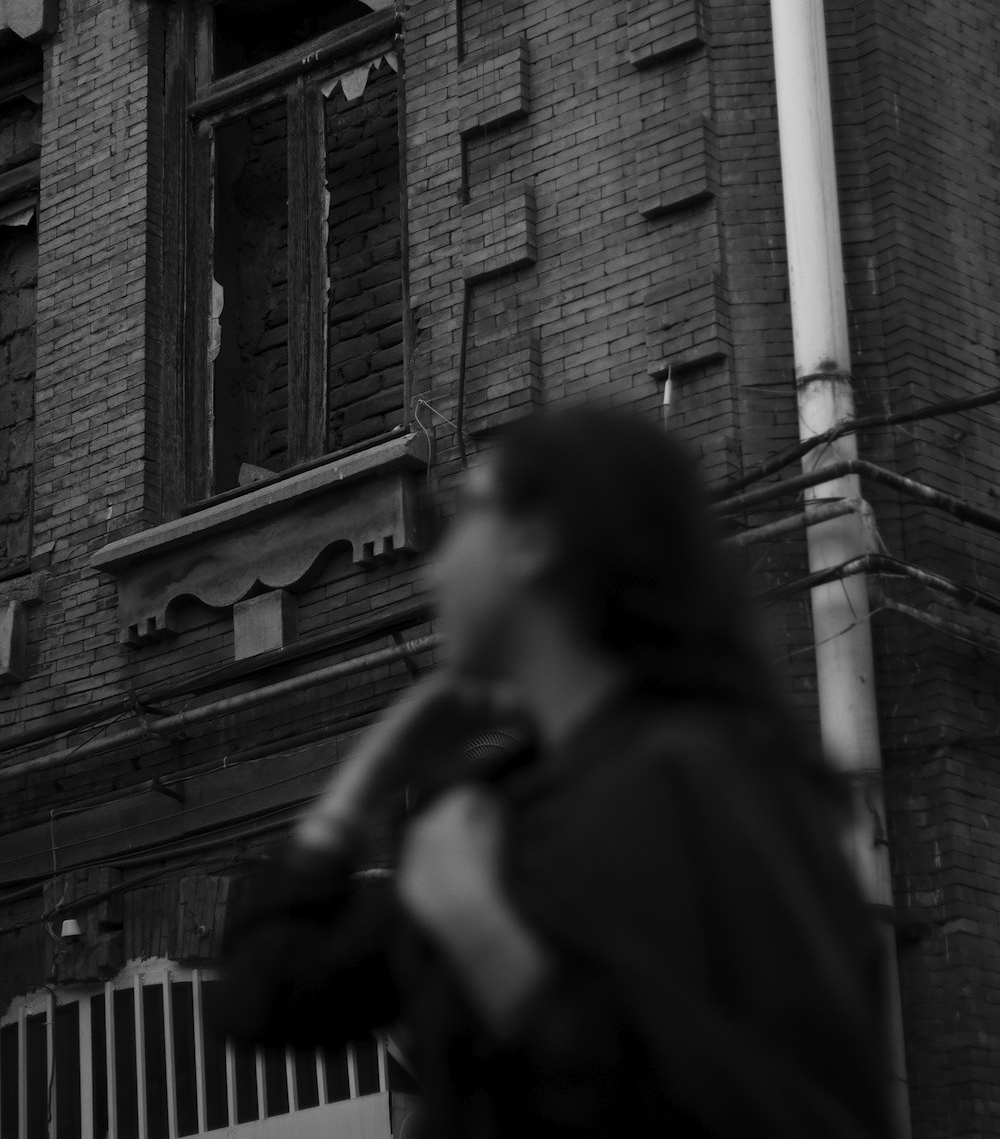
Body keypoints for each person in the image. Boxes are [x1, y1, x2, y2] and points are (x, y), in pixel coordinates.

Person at [216, 405, 896, 1138]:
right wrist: (363, 783)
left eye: (469, 514)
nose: (433, 570)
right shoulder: (493, 815)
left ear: (533, 542)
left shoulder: (702, 780)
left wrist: (489, 940)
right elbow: (264, 999)